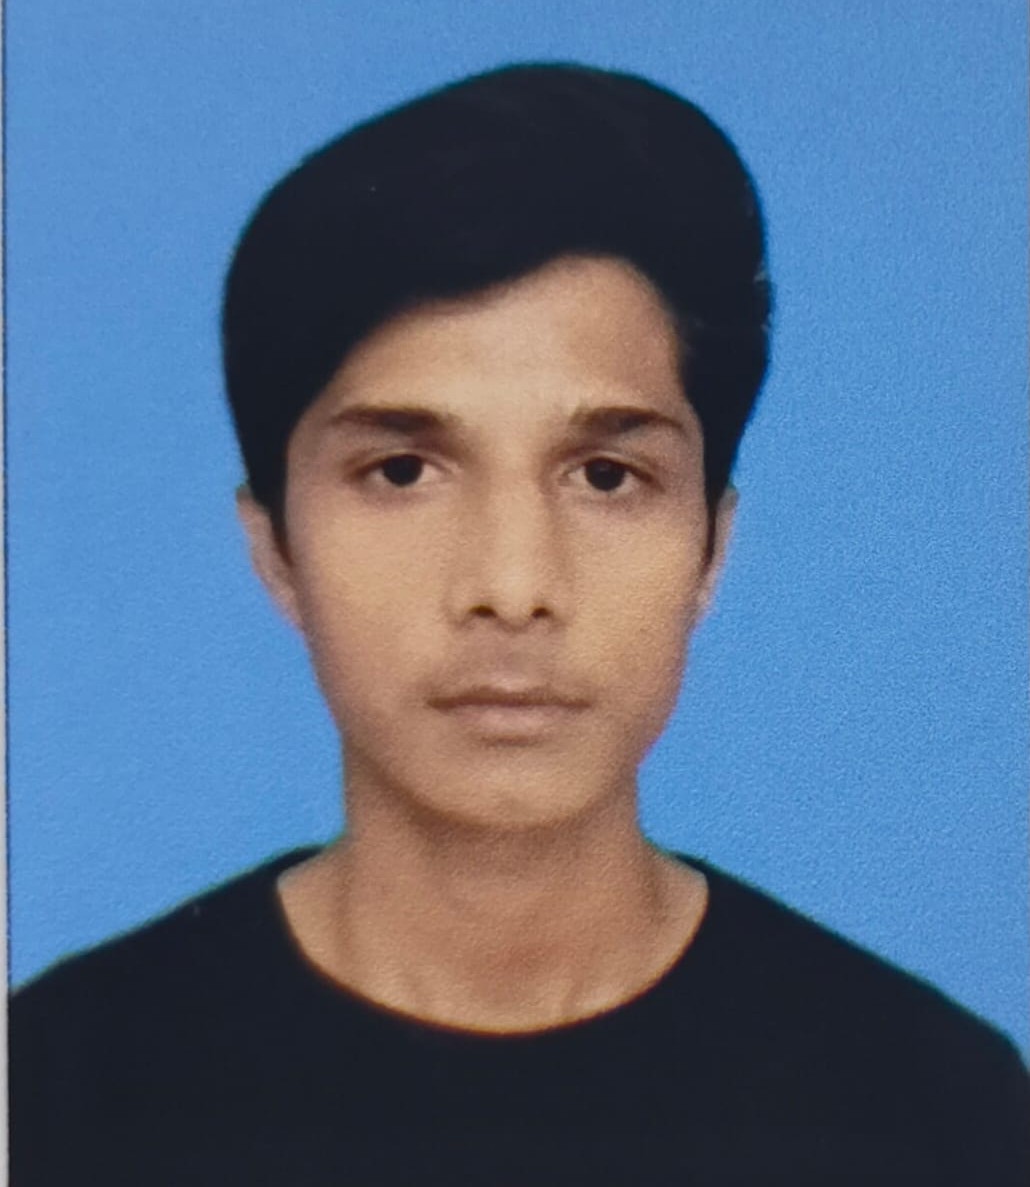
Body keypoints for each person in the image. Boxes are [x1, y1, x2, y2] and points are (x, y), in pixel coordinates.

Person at [10, 62, 1028, 1185]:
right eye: (403, 470)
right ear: (275, 549)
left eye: (605, 475)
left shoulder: (937, 1112)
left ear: (711, 547)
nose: (512, 584)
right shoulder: (52, 1095)